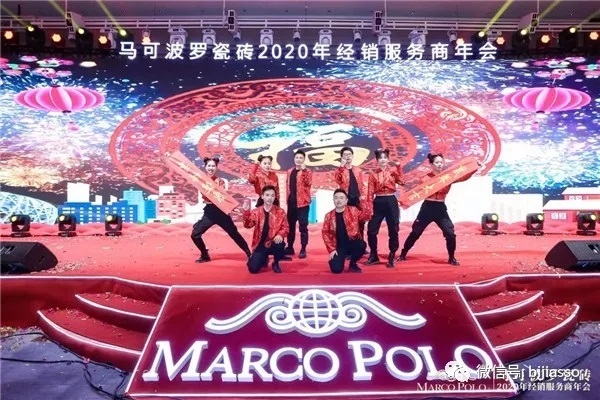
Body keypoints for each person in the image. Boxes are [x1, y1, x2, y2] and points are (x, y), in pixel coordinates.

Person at [398, 153, 481, 266]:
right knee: (416, 232)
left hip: (440, 208)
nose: (440, 164)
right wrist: (403, 200)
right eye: (437, 162)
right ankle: (403, 253)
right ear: (431, 164)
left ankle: (451, 258)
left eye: (441, 162)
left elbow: (462, 176)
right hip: (427, 208)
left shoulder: (447, 177)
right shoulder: (425, 178)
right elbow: (415, 192)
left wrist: (474, 168)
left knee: (450, 233)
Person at [191, 157, 252, 263]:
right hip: (209, 212)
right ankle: (205, 255)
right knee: (195, 234)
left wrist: (233, 208)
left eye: (213, 166)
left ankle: (249, 254)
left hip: (221, 211)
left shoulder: (220, 181)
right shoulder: (201, 180)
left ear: (216, 168)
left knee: (234, 233)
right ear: (205, 167)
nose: (211, 168)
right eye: (209, 166)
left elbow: (223, 197)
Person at [365, 148, 406, 268]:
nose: (383, 160)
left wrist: (398, 168)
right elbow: (369, 193)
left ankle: (392, 255)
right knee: (371, 230)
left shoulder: (393, 172)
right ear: (377, 160)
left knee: (393, 229)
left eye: (385, 158)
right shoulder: (373, 175)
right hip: (378, 201)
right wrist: (369, 207)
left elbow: (402, 182)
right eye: (380, 158)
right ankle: (373, 255)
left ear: (388, 159)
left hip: (391, 201)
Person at [243, 185, 289, 274]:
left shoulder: (280, 212)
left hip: (273, 242)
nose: (270, 198)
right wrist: (246, 212)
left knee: (279, 244)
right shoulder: (256, 212)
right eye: (267, 195)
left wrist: (280, 235)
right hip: (260, 244)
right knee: (253, 269)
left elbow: (285, 227)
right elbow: (247, 225)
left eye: (272, 195)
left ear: (275, 197)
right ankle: (263, 258)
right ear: (262, 196)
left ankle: (276, 262)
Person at [322, 189, 369, 274]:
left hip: (352, 243)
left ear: (346, 200)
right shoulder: (329, 216)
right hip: (338, 247)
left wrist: (363, 202)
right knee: (336, 270)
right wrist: (331, 249)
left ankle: (353, 263)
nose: (338, 200)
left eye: (341, 198)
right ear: (333, 200)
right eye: (336, 198)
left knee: (361, 245)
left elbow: (366, 216)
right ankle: (340, 258)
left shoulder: (353, 211)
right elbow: (325, 233)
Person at [334, 146, 368, 251]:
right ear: (341, 157)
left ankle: (360, 247)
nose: (347, 156)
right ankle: (346, 248)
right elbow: (337, 180)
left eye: (349, 154)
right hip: (346, 201)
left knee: (360, 223)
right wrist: (341, 166)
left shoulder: (358, 170)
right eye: (345, 155)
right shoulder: (340, 170)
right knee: (346, 224)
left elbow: (362, 184)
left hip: (358, 200)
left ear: (352, 156)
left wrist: (363, 197)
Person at [285, 150, 312, 259]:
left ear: (304, 159)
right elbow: (287, 186)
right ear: (294, 159)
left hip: (303, 204)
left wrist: (304, 171)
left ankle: (303, 248)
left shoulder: (307, 171)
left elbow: (308, 183)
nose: (298, 160)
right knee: (290, 226)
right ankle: (290, 247)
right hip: (291, 203)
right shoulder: (289, 171)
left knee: (303, 227)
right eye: (297, 157)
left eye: (301, 158)